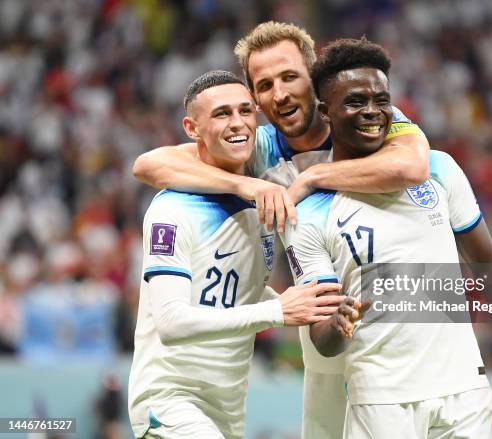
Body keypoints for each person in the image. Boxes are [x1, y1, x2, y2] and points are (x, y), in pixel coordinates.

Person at [132, 21, 431, 439]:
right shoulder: (257, 148)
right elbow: (149, 165)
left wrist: (311, 180)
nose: (280, 93)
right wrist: (244, 183)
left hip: (402, 332)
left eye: (290, 77)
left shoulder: (368, 116)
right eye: (265, 85)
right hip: (324, 325)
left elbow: (412, 167)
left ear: (315, 79)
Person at [283, 38, 492, 438]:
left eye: (381, 99)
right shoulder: (308, 211)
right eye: (355, 101)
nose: (372, 111)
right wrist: (335, 324)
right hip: (381, 400)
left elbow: (487, 260)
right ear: (326, 112)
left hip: (465, 392)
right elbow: (324, 340)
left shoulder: (438, 169)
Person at [127, 70, 345, 439]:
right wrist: (278, 311)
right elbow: (171, 322)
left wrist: (307, 307)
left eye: (245, 110)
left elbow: (239, 291)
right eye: (221, 113)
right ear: (192, 128)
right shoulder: (173, 210)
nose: (237, 122)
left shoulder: (259, 205)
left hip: (227, 407)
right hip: (170, 402)